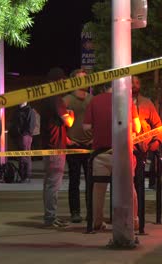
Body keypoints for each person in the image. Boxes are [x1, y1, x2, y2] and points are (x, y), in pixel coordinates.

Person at [83, 85, 139, 231]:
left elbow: (86, 127)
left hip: (100, 153)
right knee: (129, 186)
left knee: (98, 188)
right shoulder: (127, 101)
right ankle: (133, 220)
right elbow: (137, 128)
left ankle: (96, 221)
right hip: (123, 153)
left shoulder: (94, 101)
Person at [39, 67, 74, 228]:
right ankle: (50, 218)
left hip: (48, 144)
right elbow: (68, 122)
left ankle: (50, 216)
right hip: (56, 147)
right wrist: (71, 114)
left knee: (48, 184)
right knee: (54, 184)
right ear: (58, 81)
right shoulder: (56, 99)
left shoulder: (44, 97)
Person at [63, 69, 93, 223]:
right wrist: (67, 140)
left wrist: (94, 139)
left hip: (89, 146)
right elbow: (59, 121)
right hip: (73, 145)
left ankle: (91, 211)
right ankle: (75, 212)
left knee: (91, 181)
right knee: (74, 180)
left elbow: (98, 121)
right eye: (79, 79)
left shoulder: (92, 100)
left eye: (85, 79)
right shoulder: (67, 100)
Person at [132, 76, 162, 189]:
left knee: (139, 180)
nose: (134, 85)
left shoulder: (147, 103)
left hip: (142, 149)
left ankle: (139, 205)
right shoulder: (119, 102)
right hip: (124, 148)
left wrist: (157, 140)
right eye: (131, 82)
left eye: (137, 82)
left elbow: (157, 125)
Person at [10, 101, 36, 182]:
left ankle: (25, 175)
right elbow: (13, 123)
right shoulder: (17, 111)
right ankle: (23, 175)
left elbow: (31, 125)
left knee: (24, 156)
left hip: (25, 136)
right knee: (21, 156)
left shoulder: (29, 111)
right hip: (19, 136)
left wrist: (24, 134)